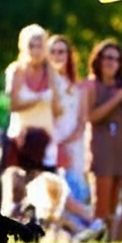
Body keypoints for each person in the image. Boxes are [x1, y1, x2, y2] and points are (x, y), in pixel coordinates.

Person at [85, 40, 122, 242]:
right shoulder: (92, 85)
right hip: (101, 148)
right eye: (107, 57)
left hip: (121, 147)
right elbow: (92, 116)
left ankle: (111, 241)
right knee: (101, 201)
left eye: (116, 59)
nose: (111, 62)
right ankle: (96, 239)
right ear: (98, 60)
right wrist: (120, 96)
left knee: (115, 202)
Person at [4, 24, 61, 170]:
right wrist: (38, 100)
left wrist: (52, 91)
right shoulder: (16, 71)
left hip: (46, 142)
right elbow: (11, 105)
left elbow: (58, 110)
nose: (35, 51)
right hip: (20, 140)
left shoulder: (52, 73)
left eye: (39, 46)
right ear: (23, 47)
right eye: (31, 45)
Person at [46, 34, 90, 204]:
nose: (57, 56)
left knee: (75, 189)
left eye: (61, 52)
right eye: (53, 51)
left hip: (73, 144)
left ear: (68, 55)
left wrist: (64, 144)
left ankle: (79, 229)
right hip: (49, 143)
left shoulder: (79, 86)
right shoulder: (45, 84)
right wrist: (56, 145)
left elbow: (81, 122)